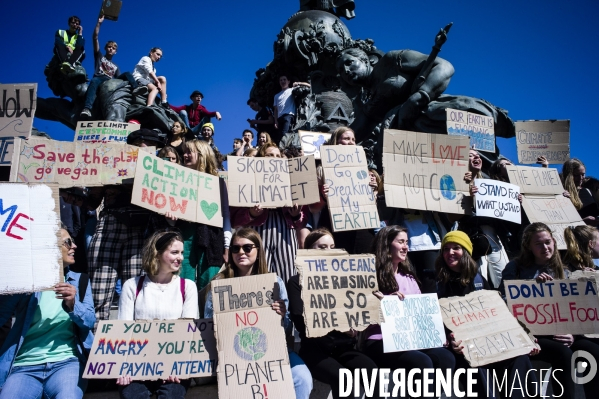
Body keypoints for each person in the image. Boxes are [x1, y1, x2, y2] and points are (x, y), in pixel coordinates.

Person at [204, 228, 313, 399]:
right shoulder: (219, 285)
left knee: (302, 378)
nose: (241, 252)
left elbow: (285, 328)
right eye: (235, 248)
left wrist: (282, 316)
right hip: (234, 356)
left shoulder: (274, 282)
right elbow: (209, 325)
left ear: (258, 250)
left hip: (273, 351)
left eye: (247, 248)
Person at [501, 222, 599, 399]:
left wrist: (573, 334)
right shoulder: (515, 268)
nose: (545, 247)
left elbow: (576, 309)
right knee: (563, 354)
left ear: (554, 241)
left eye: (547, 242)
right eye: (538, 244)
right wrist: (532, 288)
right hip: (533, 335)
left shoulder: (566, 269)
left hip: (562, 332)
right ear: (529, 247)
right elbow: (506, 302)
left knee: (592, 351)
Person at [437, 230, 538, 399]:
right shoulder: (437, 282)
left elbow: (498, 313)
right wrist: (451, 339)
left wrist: (524, 336)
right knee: (477, 367)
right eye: (446, 249)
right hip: (463, 347)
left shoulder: (478, 279)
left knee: (519, 358)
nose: (450, 253)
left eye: (456, 248)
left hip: (490, 341)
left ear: (466, 252)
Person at [0, 227, 95, 398]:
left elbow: (89, 321)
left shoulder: (80, 281)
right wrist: (15, 285)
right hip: (24, 366)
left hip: (66, 363)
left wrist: (73, 304)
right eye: (68, 242)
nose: (74, 246)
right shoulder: (26, 282)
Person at [362, 226, 455, 398]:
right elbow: (362, 313)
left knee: (445, 357)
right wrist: (386, 302)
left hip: (411, 341)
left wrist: (436, 335)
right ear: (387, 244)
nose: (406, 247)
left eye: (407, 242)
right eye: (401, 242)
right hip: (379, 340)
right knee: (421, 362)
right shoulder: (369, 276)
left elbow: (420, 314)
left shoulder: (409, 278)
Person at [288, 229, 380, 399]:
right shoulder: (296, 282)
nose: (329, 250)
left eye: (332, 246)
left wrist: (375, 303)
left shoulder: (345, 279)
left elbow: (356, 312)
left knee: (373, 374)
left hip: (344, 347)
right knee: (344, 380)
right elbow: (300, 318)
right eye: (322, 247)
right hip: (315, 350)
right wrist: (339, 324)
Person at [117, 231, 198, 397]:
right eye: (175, 252)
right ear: (157, 253)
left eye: (182, 253)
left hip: (174, 365)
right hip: (137, 364)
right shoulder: (132, 286)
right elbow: (123, 330)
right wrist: (124, 367)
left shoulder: (187, 287)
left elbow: (188, 332)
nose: (181, 258)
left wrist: (176, 366)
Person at [231, 143, 307, 284]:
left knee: (289, 273)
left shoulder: (291, 181)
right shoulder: (248, 180)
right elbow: (235, 219)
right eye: (269, 155)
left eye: (278, 156)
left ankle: (287, 304)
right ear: (260, 159)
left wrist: (296, 214)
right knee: (259, 273)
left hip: (285, 232)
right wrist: (251, 213)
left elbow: (301, 222)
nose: (274, 158)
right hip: (258, 230)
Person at [80, 16, 121, 118]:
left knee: (126, 77)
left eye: (113, 48)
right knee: (93, 82)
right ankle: (87, 108)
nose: (111, 49)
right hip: (99, 78)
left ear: (116, 52)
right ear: (106, 48)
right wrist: (99, 23)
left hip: (110, 81)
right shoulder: (99, 56)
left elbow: (119, 79)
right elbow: (95, 37)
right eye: (109, 47)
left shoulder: (116, 66)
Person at [562, 158, 598, 225]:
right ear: (568, 175)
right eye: (576, 175)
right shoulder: (563, 194)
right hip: (578, 233)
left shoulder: (588, 191)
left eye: (583, 174)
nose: (581, 178)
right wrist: (582, 222)